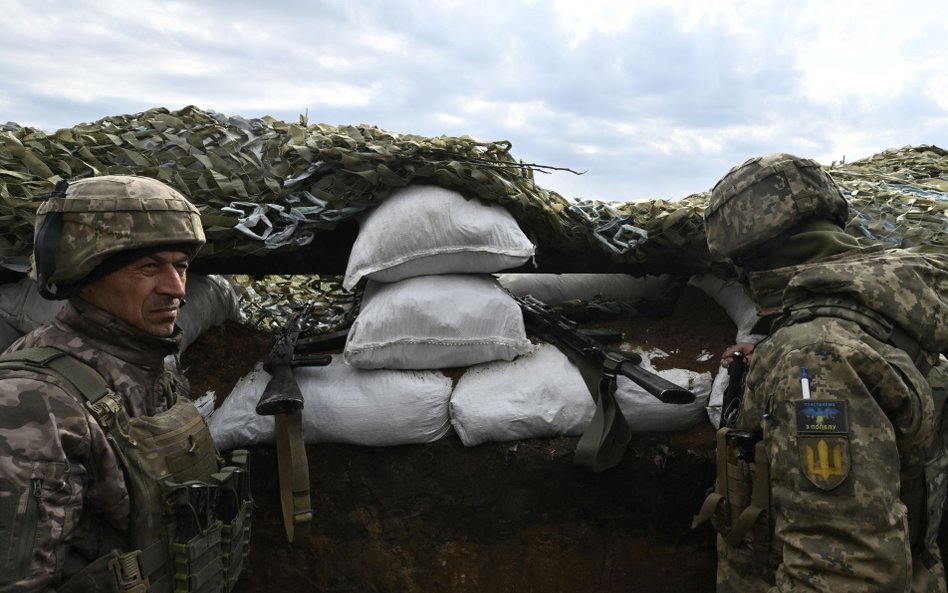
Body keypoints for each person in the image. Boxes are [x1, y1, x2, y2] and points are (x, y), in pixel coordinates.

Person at [694, 153, 948, 592]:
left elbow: (843, 572)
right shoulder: (891, 307)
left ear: (742, 257)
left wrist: (796, 370)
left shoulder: (815, 355)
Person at [0, 176, 250, 593]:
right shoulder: (33, 404)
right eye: (149, 267)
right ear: (86, 273)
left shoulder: (152, 368)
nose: (175, 289)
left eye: (181, 266)